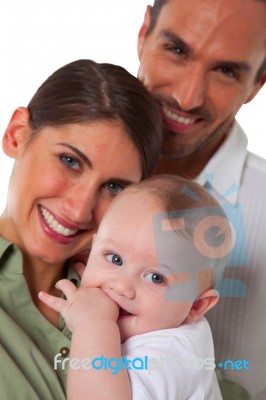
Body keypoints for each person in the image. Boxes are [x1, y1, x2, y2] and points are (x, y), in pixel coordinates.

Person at [0, 59, 162, 399]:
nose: (79, 209)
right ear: (16, 136)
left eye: (114, 187)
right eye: (70, 161)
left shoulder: (140, 301)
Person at [136, 0, 266, 398]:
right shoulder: (65, 174)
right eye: (177, 50)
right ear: (143, 34)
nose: (188, 97)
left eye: (226, 71)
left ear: (257, 85)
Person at [39, 174, 233, 400]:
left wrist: (92, 324)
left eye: (156, 278)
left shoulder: (168, 357)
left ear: (196, 306)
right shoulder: (166, 329)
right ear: (92, 251)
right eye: (114, 259)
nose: (121, 286)